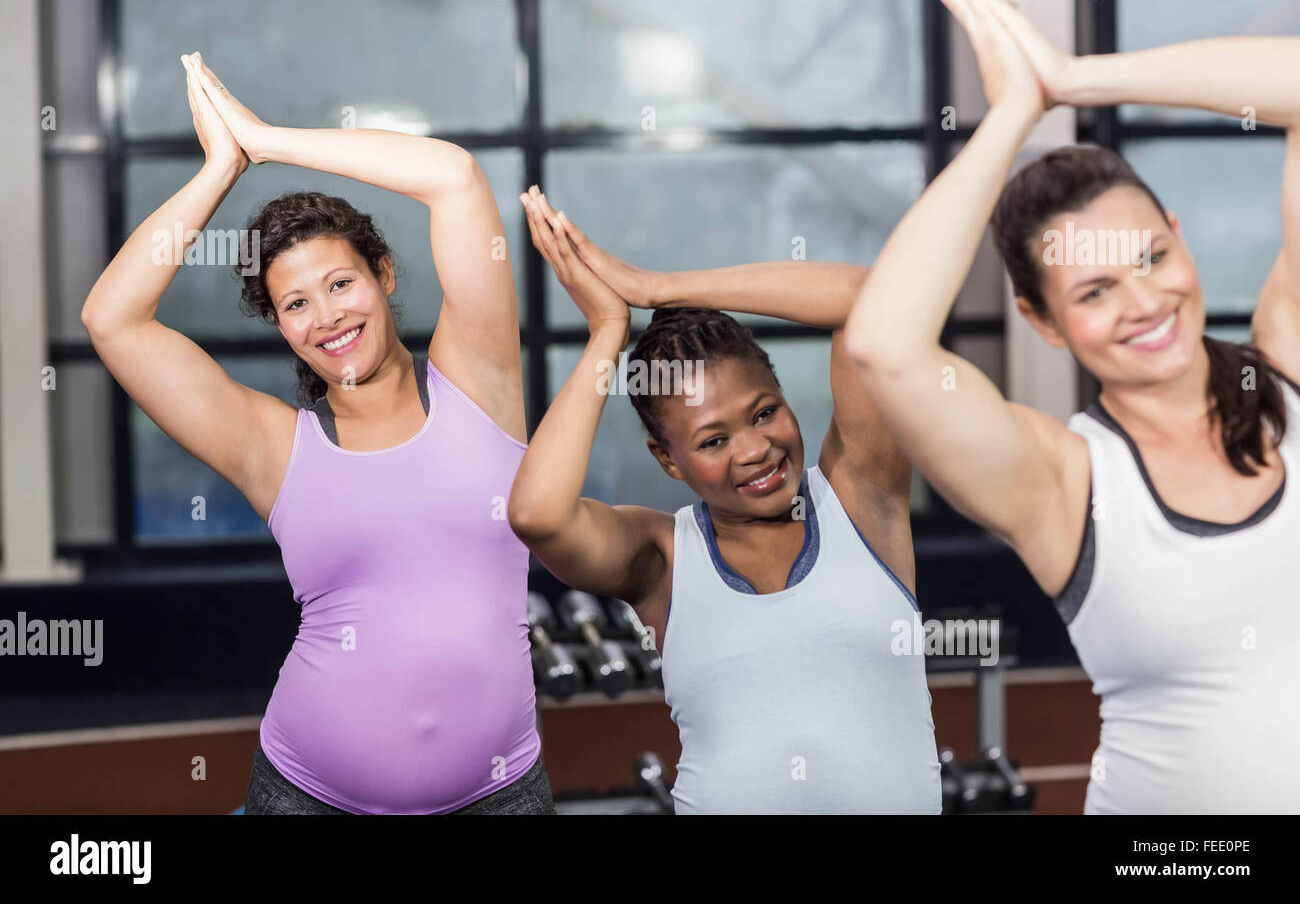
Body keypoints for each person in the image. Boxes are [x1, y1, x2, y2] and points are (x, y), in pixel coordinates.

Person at [846, 0, 1300, 813]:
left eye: (1151, 259)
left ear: (1181, 241)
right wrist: (1015, 112)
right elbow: (884, 347)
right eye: (1094, 292)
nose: (1144, 304)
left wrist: (1074, 79)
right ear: (1042, 321)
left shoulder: (1288, 370)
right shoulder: (1061, 478)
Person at [81, 53, 551, 814]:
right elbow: (112, 320)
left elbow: (455, 177)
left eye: (341, 283)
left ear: (384, 275)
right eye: (295, 304)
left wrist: (265, 138)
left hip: (502, 795)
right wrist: (220, 171)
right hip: (306, 796)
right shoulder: (274, 445)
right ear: (280, 326)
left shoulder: (479, 384)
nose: (327, 316)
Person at [507, 187, 941, 813]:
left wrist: (658, 288)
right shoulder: (662, 557)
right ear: (668, 461)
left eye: (764, 413)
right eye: (713, 440)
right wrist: (608, 332)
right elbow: (537, 514)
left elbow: (875, 299)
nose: (754, 450)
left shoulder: (861, 496)